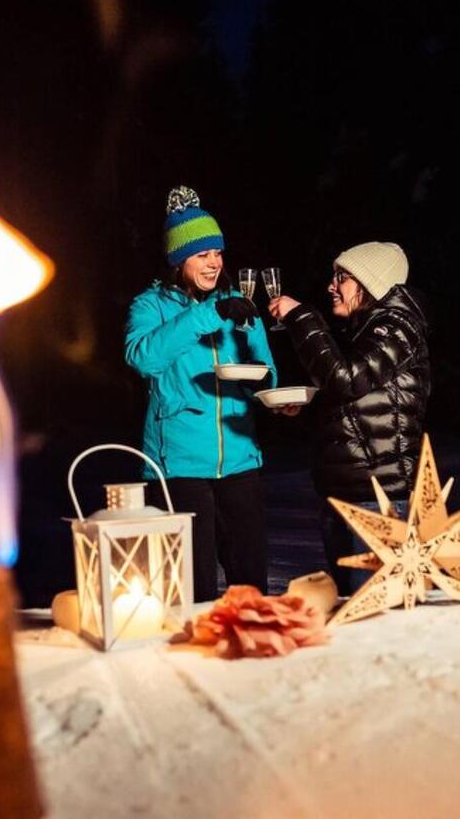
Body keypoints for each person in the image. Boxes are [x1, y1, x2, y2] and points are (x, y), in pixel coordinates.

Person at [125, 186, 277, 602]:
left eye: (218, 253)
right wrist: (208, 314)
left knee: (251, 586)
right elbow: (141, 357)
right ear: (178, 260)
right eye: (202, 254)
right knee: (191, 588)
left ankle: (252, 657)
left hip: (240, 458)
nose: (214, 263)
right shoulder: (150, 305)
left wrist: (274, 393)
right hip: (180, 465)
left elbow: (264, 367)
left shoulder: (237, 303)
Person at [268, 241, 430, 595]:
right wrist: (310, 407)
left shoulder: (395, 326)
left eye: (342, 277)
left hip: (380, 500)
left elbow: (347, 379)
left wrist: (301, 317)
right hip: (347, 493)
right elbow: (360, 403)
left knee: (375, 621)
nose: (331, 285)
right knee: (349, 610)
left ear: (369, 283)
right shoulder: (366, 328)